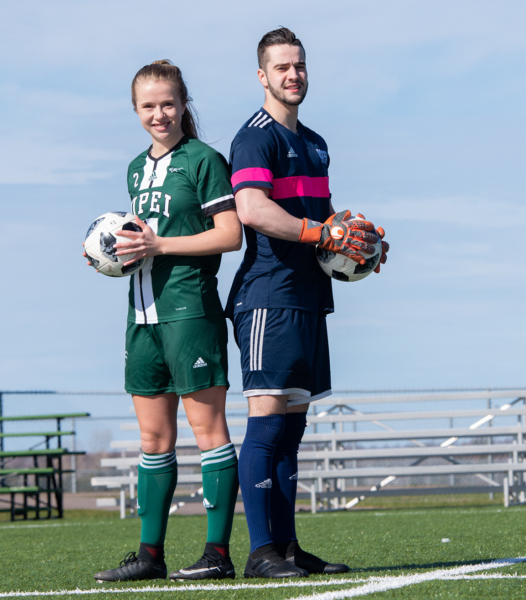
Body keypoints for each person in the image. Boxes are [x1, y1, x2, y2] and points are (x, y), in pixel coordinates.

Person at [226, 28, 389, 579]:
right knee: (267, 425)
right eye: (281, 67)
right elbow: (252, 208)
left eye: (299, 66)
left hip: (308, 296)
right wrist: (322, 236)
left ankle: (290, 549)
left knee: (293, 429)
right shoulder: (254, 138)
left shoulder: (316, 143)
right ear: (262, 76)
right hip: (267, 296)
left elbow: (328, 217)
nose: (292, 75)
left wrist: (360, 246)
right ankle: (260, 552)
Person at [89, 60, 242, 583]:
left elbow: (229, 234)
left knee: (208, 432)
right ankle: (149, 556)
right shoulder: (134, 168)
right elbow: (140, 240)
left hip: (189, 311)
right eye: (149, 106)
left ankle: (217, 554)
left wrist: (159, 244)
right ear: (136, 111)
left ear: (183, 105)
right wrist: (113, 255)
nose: (160, 114)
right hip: (141, 315)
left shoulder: (203, 160)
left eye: (168, 103)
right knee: (153, 440)